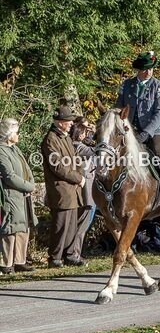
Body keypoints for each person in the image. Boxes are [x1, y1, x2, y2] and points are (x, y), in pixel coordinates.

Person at [115, 51, 160, 211]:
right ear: (138, 69)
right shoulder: (126, 85)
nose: (149, 72)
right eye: (145, 69)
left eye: (151, 68)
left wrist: (146, 133)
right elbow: (119, 107)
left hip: (154, 131)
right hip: (129, 130)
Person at [41, 104, 87, 267]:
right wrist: (78, 178)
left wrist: (81, 173)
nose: (71, 124)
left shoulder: (66, 137)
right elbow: (58, 166)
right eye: (68, 121)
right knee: (60, 225)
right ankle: (55, 257)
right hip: (61, 189)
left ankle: (69, 255)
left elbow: (75, 159)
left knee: (71, 224)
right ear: (59, 122)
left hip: (72, 188)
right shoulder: (50, 139)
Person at [0, 118, 37, 274]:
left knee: (23, 227)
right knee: (11, 228)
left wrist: (31, 184)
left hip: (23, 195)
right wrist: (28, 186)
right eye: (16, 132)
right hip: (11, 194)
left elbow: (26, 169)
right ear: (9, 134)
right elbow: (9, 175)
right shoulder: (1, 151)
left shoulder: (15, 149)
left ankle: (20, 260)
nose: (18, 135)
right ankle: (6, 263)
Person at [70, 117, 97, 258]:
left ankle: (78, 251)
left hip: (90, 191)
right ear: (79, 134)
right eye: (84, 131)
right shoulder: (77, 146)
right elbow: (93, 151)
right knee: (82, 224)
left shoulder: (79, 144)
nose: (87, 133)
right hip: (86, 191)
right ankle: (75, 253)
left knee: (85, 224)